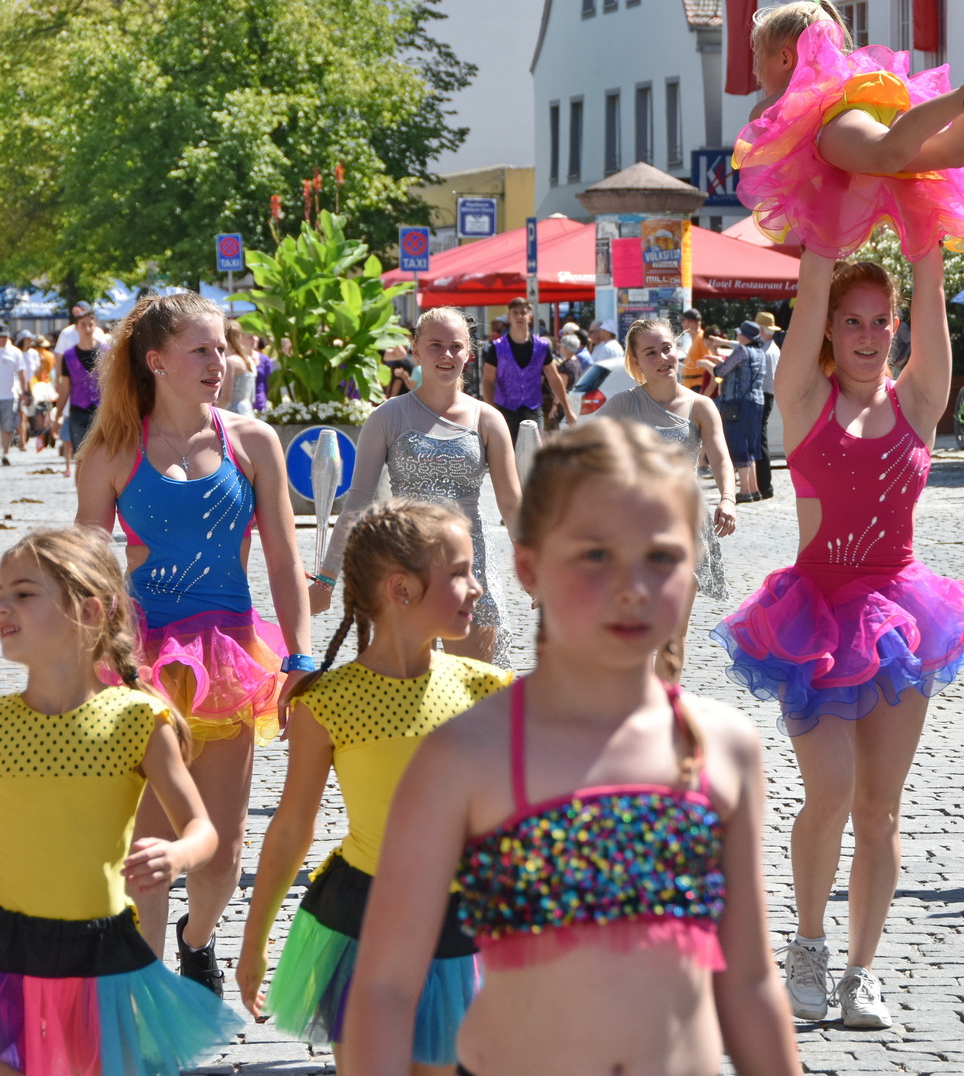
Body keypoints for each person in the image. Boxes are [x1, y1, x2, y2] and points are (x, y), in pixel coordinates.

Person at [343, 420, 801, 1076]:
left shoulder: (725, 747)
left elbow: (751, 981)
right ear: (529, 566)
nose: (632, 586)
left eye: (662, 556)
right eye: (595, 554)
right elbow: (386, 988)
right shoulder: (466, 755)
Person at [713, 249, 964, 1028]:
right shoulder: (804, 397)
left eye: (881, 321)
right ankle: (806, 944)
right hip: (816, 616)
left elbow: (930, 283)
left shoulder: (920, 399)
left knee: (879, 808)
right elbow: (811, 280)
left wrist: (928, 235)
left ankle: (862, 970)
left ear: (896, 328)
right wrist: (826, 224)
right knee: (829, 791)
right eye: (853, 320)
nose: (868, 335)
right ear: (831, 328)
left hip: (901, 613)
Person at [74, 292, 312, 991]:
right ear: (157, 361)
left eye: (223, 348)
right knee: (149, 849)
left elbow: (282, 561)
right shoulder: (114, 452)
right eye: (201, 350)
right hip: (142, 665)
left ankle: (198, 937)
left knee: (221, 852)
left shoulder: (252, 441)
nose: (222, 361)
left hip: (233, 658)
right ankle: (152, 997)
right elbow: (86, 566)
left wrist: (299, 652)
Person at [241, 499, 512, 1069]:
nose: (479, 588)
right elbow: (291, 828)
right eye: (461, 573)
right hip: (363, 918)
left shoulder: (487, 689)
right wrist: (255, 939)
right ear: (402, 589)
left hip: (461, 919)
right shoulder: (327, 703)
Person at [0, 526, 244, 1068]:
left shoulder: (136, 720)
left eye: (23, 593)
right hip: (9, 948)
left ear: (88, 613)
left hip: (101, 956)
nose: (4, 606)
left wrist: (176, 855)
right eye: (0, 595)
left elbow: (202, 829)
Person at [734, 1, 964, 260]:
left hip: (834, 121)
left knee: (885, 152)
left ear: (787, 58)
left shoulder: (784, 102)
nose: (756, 75)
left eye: (759, 63)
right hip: (881, 105)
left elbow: (762, 131)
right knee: (951, 153)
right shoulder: (843, 78)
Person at [315, 308, 522, 670]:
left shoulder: (487, 420)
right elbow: (358, 502)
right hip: (406, 569)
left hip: (472, 571)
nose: (446, 355)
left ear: (469, 354)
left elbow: (511, 504)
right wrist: (326, 578)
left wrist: (536, 570)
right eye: (436, 345)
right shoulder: (386, 417)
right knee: (408, 702)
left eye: (455, 347)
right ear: (416, 351)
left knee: (474, 697)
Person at [597, 317, 737, 684]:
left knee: (673, 630)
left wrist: (727, 499)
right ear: (636, 362)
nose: (662, 358)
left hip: (684, 527)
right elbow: (578, 447)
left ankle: (665, 707)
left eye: (667, 348)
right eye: (651, 352)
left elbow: (720, 457)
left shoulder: (701, 406)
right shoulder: (623, 405)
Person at [482, 298, 575, 443]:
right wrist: (491, 410)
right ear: (509, 317)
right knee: (506, 453)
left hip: (532, 409)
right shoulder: (497, 347)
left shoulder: (542, 346)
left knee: (534, 453)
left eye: (523, 313)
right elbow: (487, 381)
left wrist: (568, 410)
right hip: (505, 408)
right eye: (515, 313)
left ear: (529, 317)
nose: (519, 316)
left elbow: (554, 378)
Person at [710, 320, 769, 505]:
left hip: (739, 402)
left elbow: (720, 371)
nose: (737, 336)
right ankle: (753, 489)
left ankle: (744, 490)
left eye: (739, 334)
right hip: (757, 401)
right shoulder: (760, 352)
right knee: (751, 445)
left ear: (744, 336)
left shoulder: (742, 351)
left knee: (739, 444)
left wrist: (709, 363)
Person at [54, 306, 105, 476]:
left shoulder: (106, 353)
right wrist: (57, 416)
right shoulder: (68, 356)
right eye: (83, 325)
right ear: (76, 328)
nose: (88, 329)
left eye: (91, 324)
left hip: (101, 412)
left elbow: (113, 386)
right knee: (81, 460)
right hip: (78, 412)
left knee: (103, 457)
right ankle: (83, 500)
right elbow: (65, 389)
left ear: (95, 326)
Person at [754, 310, 783, 499]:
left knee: (760, 439)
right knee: (759, 438)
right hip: (766, 395)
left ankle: (764, 483)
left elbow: (766, 378)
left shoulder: (767, 351)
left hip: (764, 395)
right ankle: (763, 483)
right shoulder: (769, 347)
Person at [218, 319, 258, 417]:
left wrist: (213, 414)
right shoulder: (247, 359)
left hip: (233, 413)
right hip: (248, 412)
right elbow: (252, 396)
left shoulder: (230, 362)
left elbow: (226, 398)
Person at [0, 329, 27, 467]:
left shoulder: (14, 352)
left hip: (9, 395)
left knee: (7, 427)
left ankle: (5, 453)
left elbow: (21, 372)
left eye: (5, 337)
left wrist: (25, 391)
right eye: (0, 337)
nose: (3, 339)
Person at [677, 306, 710, 391]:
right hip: (693, 386)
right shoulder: (697, 339)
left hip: (698, 386)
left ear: (688, 322)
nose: (682, 324)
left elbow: (710, 362)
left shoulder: (701, 338)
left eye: (682, 321)